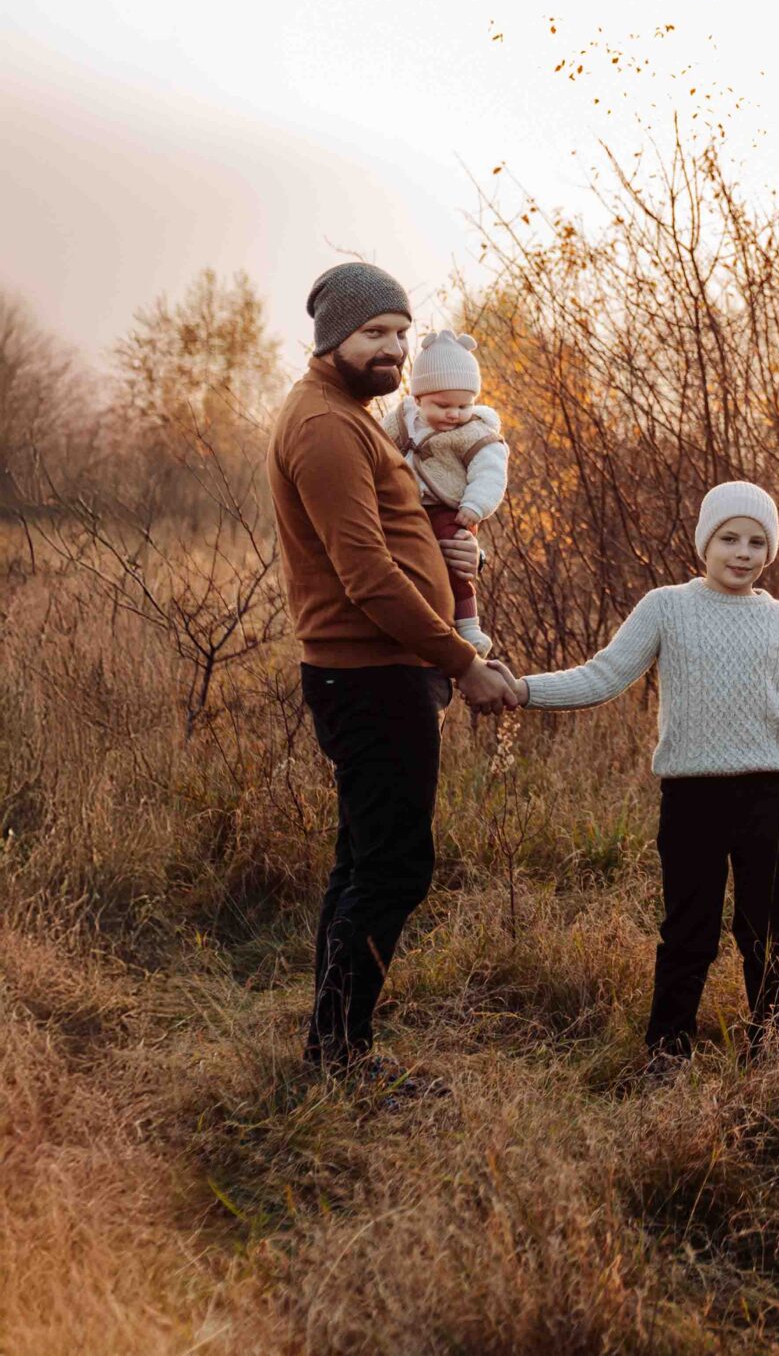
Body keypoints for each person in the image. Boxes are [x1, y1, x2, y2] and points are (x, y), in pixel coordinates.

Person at [515, 481, 779, 1067]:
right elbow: (604, 675)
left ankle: (775, 1049)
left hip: (771, 794)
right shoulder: (667, 606)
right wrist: (524, 690)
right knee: (689, 930)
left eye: (757, 542)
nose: (743, 552)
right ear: (704, 543)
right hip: (690, 796)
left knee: (767, 932)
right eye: (729, 538)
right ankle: (667, 1050)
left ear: (770, 551)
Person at [269, 261, 516, 1082]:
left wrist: (454, 554)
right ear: (333, 336)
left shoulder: (356, 415)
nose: (393, 349)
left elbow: (403, 526)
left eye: (402, 334)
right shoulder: (326, 426)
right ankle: (341, 1056)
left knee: (363, 860)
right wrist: (462, 659)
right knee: (394, 866)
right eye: (375, 333)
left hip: (381, 669)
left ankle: (330, 1048)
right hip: (369, 673)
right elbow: (367, 573)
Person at [386, 329, 508, 652]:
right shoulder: (401, 422)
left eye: (464, 405)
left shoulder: (475, 431)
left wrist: (475, 505)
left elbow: (490, 471)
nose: (454, 414)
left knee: (456, 558)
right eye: (443, 405)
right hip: (407, 507)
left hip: (450, 508)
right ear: (418, 399)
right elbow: (376, 446)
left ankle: (468, 624)